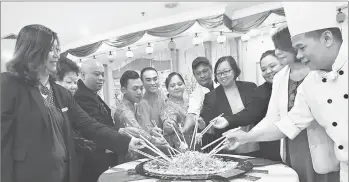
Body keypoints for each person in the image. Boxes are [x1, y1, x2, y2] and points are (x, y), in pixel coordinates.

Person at [1, 24, 144, 182]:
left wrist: (127, 141)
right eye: (51, 49)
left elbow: (89, 125)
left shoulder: (60, 92)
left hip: (64, 173)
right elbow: (3, 140)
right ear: (32, 50)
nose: (57, 55)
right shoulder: (9, 84)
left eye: (57, 49)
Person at [223, 2, 347, 182]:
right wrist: (246, 137)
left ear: (327, 38)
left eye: (302, 47)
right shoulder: (310, 84)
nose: (298, 56)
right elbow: (289, 124)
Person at [200, 56, 261, 155]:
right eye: (219, 73)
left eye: (226, 71)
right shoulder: (211, 96)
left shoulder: (249, 87)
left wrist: (227, 120)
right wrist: (202, 123)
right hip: (228, 149)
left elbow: (253, 113)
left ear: (234, 71)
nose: (222, 76)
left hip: (254, 145)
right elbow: (207, 122)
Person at [73, 60, 121, 182]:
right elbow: (95, 126)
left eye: (102, 74)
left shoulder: (91, 94)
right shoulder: (81, 96)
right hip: (92, 158)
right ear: (83, 75)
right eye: (96, 74)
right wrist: (120, 132)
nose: (101, 78)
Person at [56, 57, 97, 182]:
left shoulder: (71, 102)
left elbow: (89, 123)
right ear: (54, 82)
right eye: (69, 82)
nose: (74, 87)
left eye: (75, 82)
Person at [114, 70, 166, 162]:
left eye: (141, 88)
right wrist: (155, 141)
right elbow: (137, 131)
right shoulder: (124, 111)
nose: (139, 92)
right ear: (123, 90)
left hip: (138, 153)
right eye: (135, 89)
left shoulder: (134, 104)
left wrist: (151, 131)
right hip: (130, 160)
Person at [254, 50, 284, 161]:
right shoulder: (258, 92)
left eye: (272, 66)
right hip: (270, 146)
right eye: (263, 69)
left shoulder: (294, 86)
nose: (268, 71)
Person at [182, 57, 219, 133]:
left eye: (205, 71)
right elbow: (192, 114)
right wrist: (184, 130)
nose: (202, 76)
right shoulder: (196, 94)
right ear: (194, 76)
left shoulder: (221, 84)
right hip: (209, 134)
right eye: (198, 73)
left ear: (211, 70)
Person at [160, 72, 191, 151]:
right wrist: (170, 124)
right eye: (172, 86)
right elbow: (169, 120)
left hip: (194, 144)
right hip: (178, 149)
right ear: (167, 88)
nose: (177, 87)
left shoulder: (189, 101)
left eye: (180, 84)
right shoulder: (167, 106)